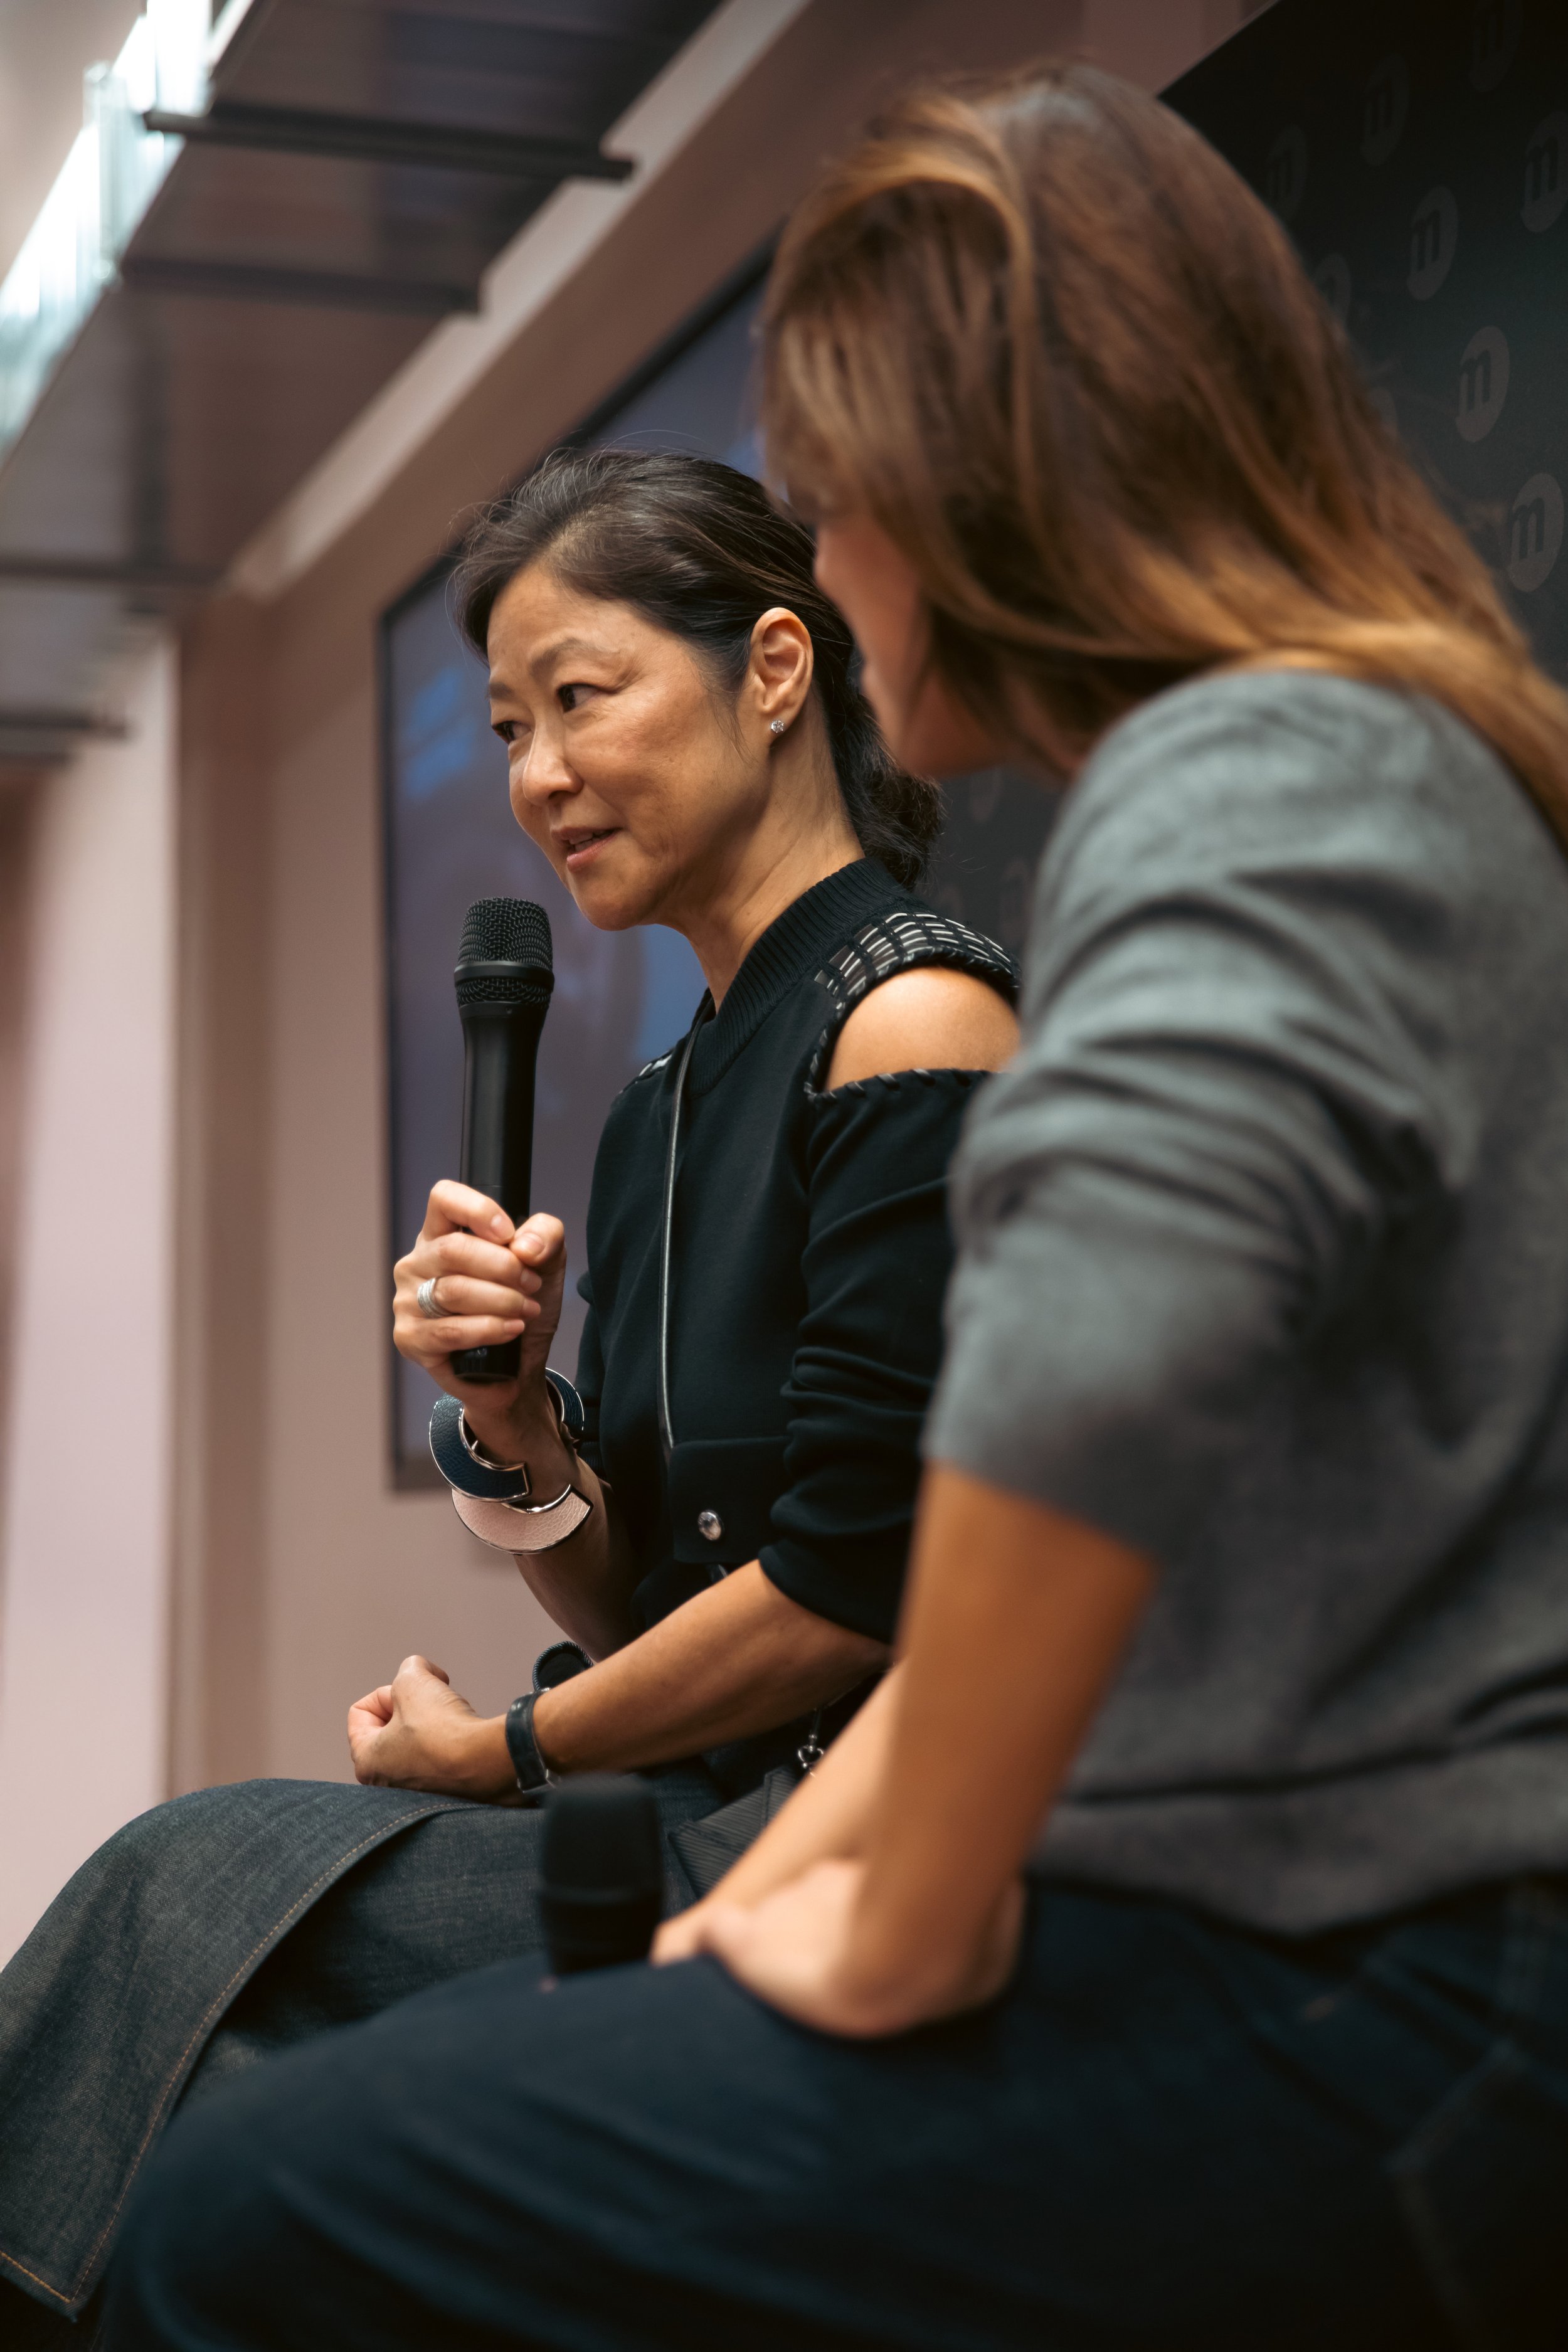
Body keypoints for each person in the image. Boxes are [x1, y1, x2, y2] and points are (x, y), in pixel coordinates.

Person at [95, 61, 1568, 2351]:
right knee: (204, 1985)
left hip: (1384, 1973)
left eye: (842, 512)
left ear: (981, 486)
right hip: (1245, 1903)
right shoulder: (1279, 787)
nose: (844, 584)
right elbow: (996, 1510)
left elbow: (1032, 1450)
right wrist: (521, 1451)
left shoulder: (1248, 793)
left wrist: (856, 1911)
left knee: (251, 2190)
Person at [0, 447, 1018, 2346]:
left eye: (581, 696)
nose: (535, 775)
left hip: (828, 1838)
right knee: (176, 1938)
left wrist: (508, 1756)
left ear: (775, 671)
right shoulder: (658, 1103)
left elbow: (849, 1591)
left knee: (185, 1896)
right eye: (503, 726)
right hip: (672, 1788)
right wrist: (516, 1432)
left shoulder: (913, 1022)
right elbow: (631, 1589)